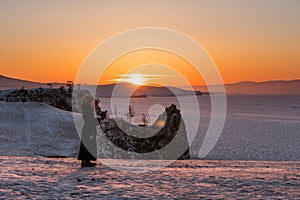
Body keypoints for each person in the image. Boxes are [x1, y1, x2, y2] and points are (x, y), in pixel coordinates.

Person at [77, 94, 99, 167]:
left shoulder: (86, 108)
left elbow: (90, 120)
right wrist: (98, 120)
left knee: (87, 144)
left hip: (87, 128)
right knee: (88, 144)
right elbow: (89, 120)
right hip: (89, 128)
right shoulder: (87, 109)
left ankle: (86, 161)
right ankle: (85, 161)